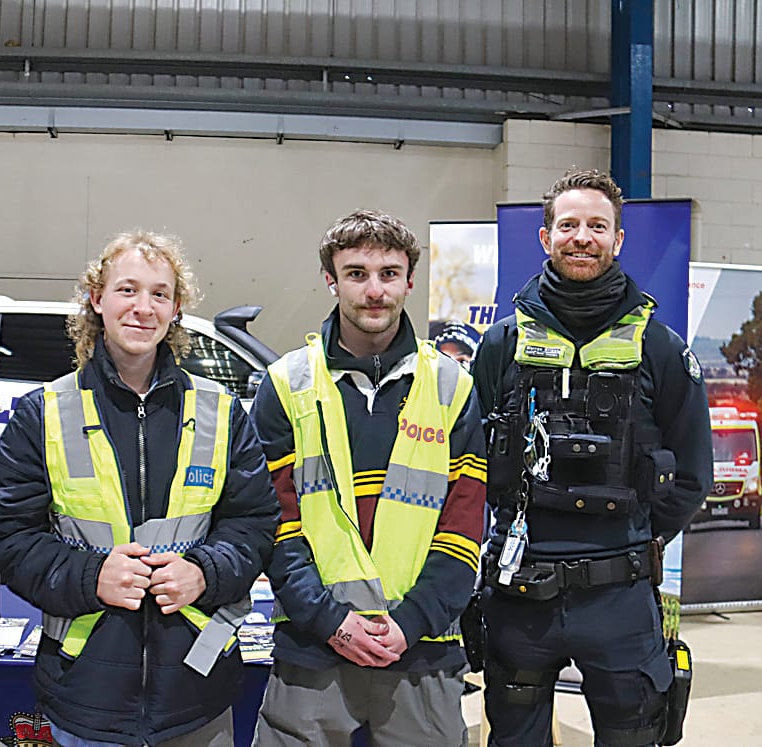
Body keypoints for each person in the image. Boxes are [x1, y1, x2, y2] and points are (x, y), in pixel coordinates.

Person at [0, 231, 278, 747]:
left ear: (176, 308)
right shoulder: (43, 414)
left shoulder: (219, 412)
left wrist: (203, 573)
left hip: (197, 693)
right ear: (96, 299)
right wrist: (91, 575)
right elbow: (8, 537)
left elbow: (254, 525)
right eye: (127, 290)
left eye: (159, 294)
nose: (144, 308)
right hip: (84, 696)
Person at [471, 168, 713, 747]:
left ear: (618, 240)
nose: (583, 237)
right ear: (546, 236)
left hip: (621, 599)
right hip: (519, 596)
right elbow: (472, 461)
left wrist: (637, 536)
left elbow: (693, 472)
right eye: (570, 224)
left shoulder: (659, 346)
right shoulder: (503, 343)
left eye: (597, 226)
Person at [251, 209, 487, 746]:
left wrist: (410, 622)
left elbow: (464, 527)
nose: (374, 290)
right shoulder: (286, 385)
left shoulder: (453, 388)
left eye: (388, 273)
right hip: (312, 648)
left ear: (409, 280)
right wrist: (331, 620)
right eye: (356, 273)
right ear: (331, 280)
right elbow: (275, 524)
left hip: (422, 648)